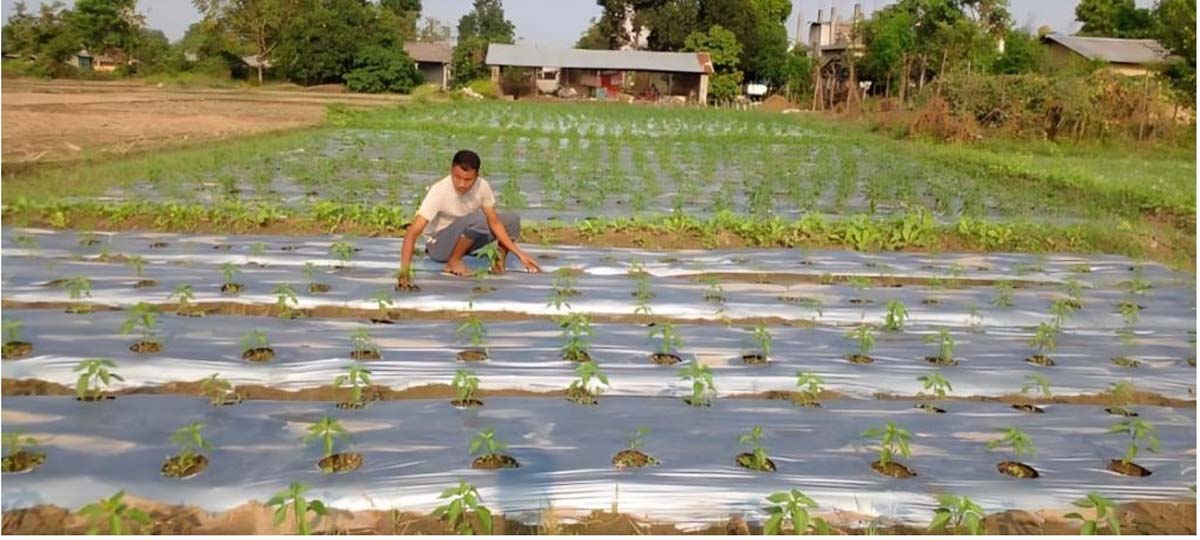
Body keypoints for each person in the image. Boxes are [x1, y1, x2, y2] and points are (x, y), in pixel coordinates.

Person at [397, 150, 541, 288]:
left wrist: (521, 255)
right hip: (439, 246)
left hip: (466, 238)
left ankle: (498, 261)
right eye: (457, 177)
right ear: (451, 171)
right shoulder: (439, 191)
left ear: (477, 175)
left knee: (511, 220)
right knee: (477, 218)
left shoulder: (482, 187)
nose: (461, 184)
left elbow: (495, 223)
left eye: (468, 180)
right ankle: (453, 261)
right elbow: (413, 232)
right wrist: (404, 271)